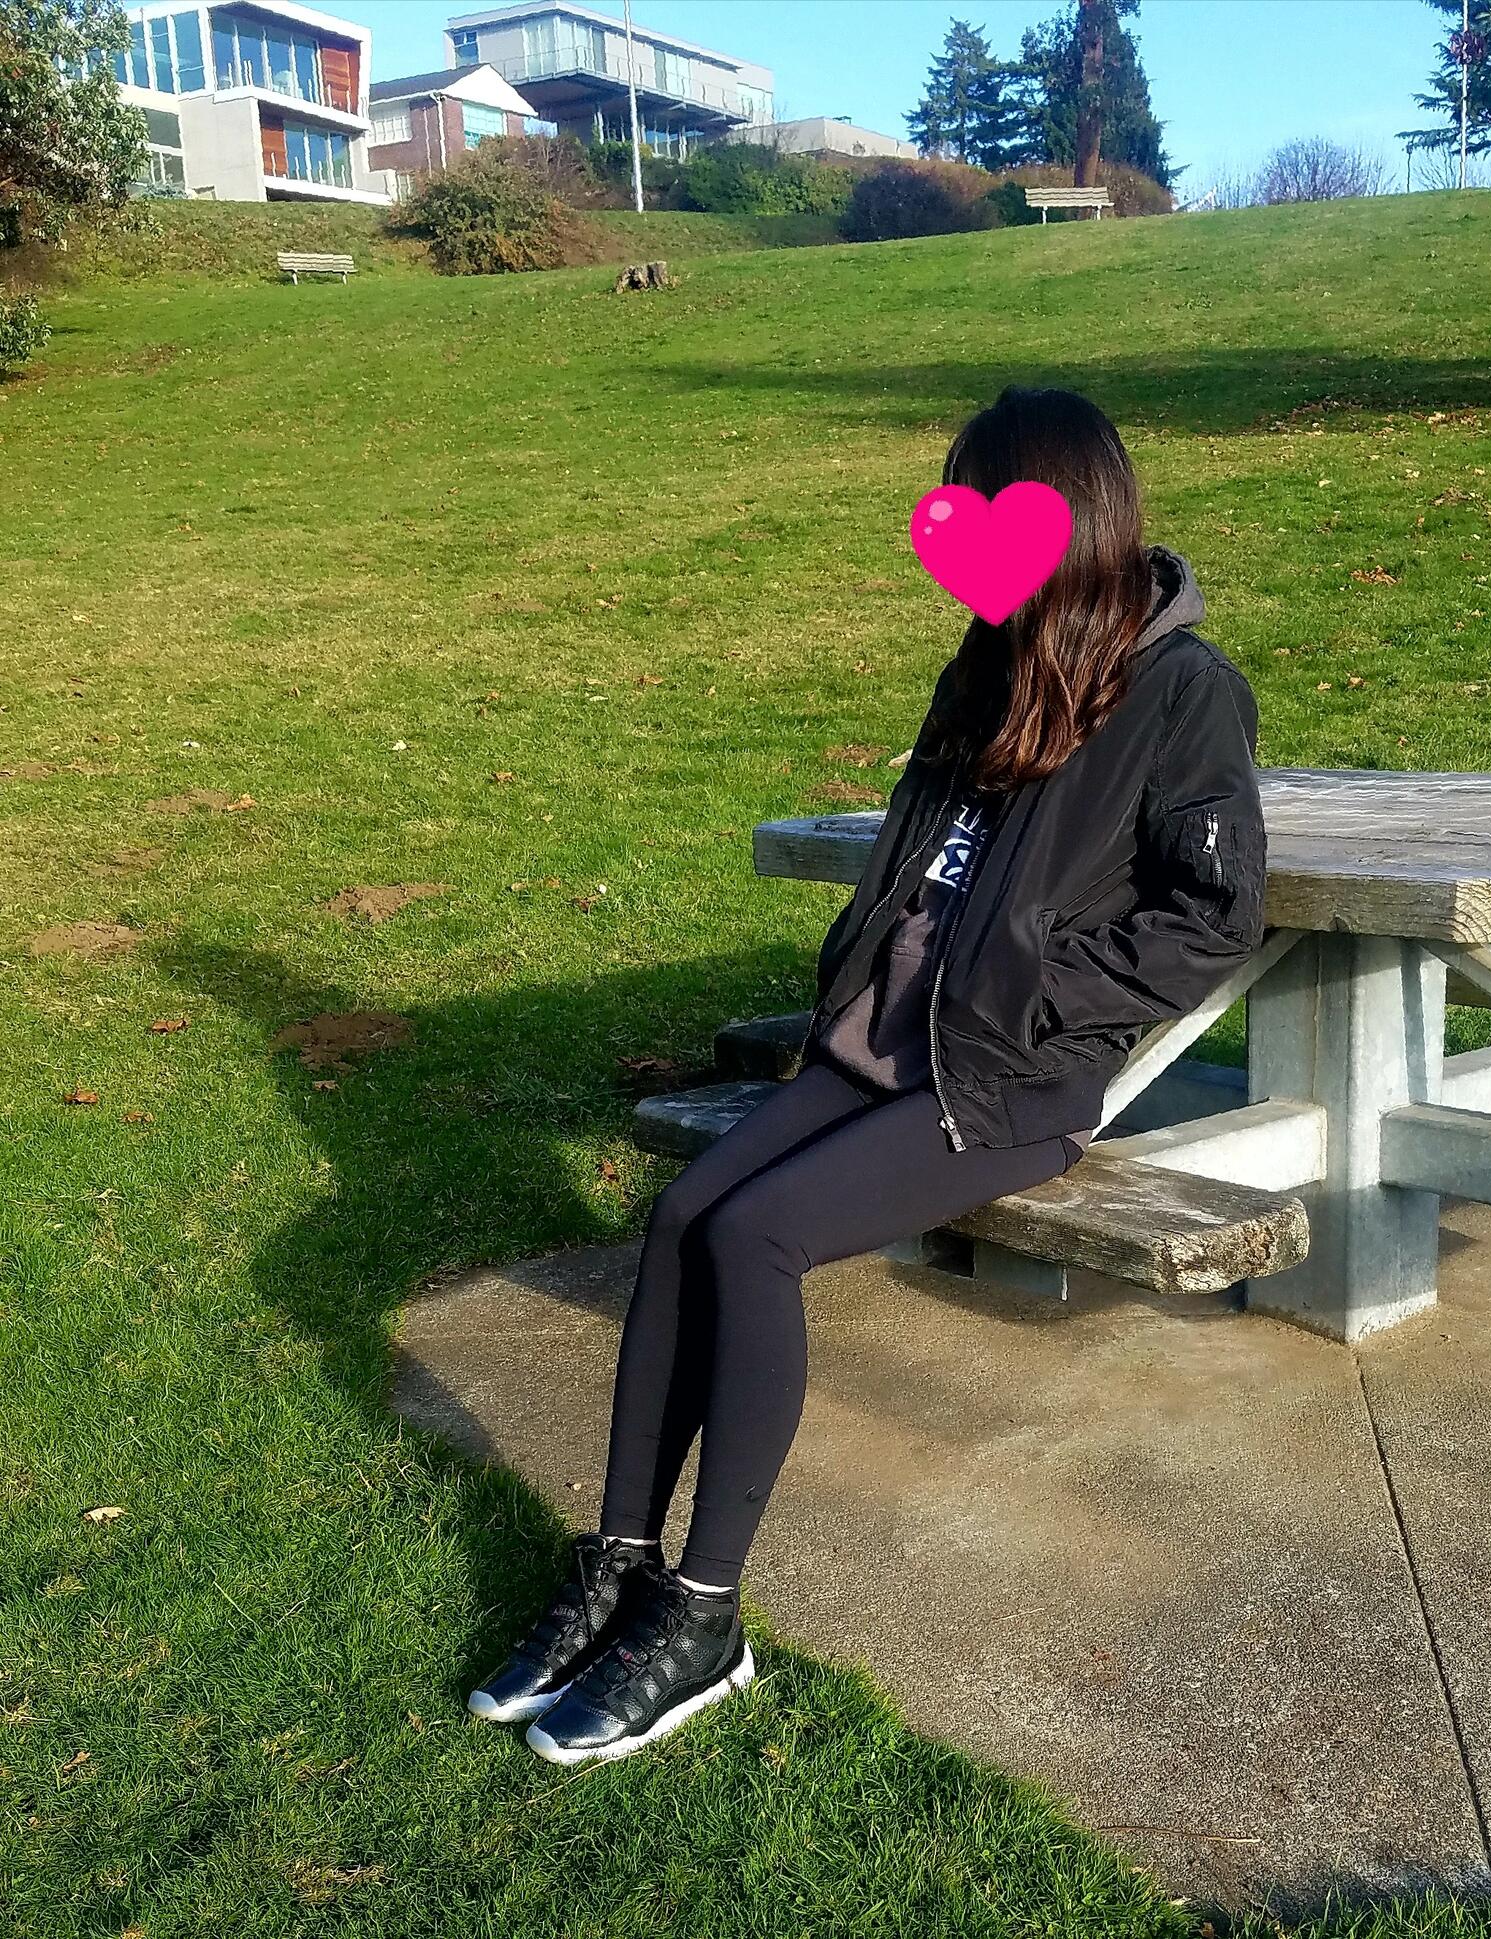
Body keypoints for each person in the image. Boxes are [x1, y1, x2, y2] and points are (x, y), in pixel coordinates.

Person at [469, 385, 1268, 1767]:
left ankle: (703, 1617)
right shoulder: (993, 658)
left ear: (1068, 523)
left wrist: (1030, 995)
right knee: (682, 1217)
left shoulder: (1187, 693)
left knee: (756, 1236)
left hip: (1006, 1080)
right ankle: (618, 1567)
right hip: (884, 1043)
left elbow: (1211, 919)